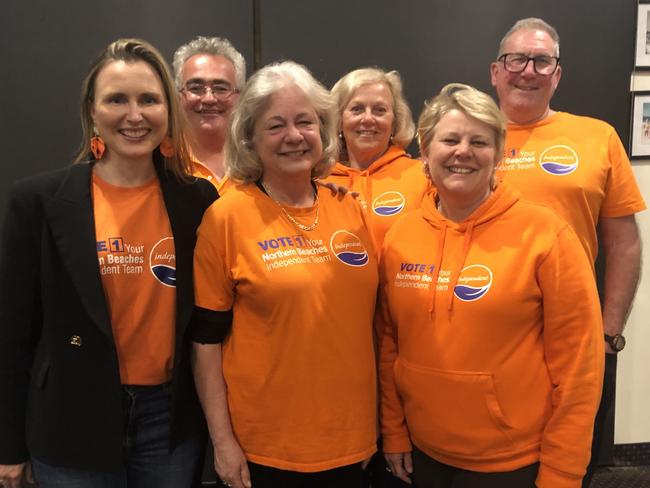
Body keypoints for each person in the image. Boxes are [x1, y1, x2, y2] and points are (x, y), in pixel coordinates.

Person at [0, 39, 217, 488]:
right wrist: (8, 448)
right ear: (93, 111)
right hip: (69, 419)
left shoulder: (199, 201)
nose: (134, 115)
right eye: (117, 99)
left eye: (149, 100)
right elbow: (12, 334)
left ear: (168, 111)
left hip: (169, 422)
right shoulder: (37, 202)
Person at [379, 83, 604, 488]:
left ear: (498, 154)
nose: (462, 151)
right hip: (423, 451)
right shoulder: (400, 237)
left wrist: (563, 472)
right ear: (425, 154)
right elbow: (390, 342)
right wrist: (394, 431)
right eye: (449, 139)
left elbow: (580, 368)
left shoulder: (546, 235)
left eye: (478, 141)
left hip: (512, 463)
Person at [190, 61, 378, 488]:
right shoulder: (226, 218)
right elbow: (205, 343)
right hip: (265, 450)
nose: (294, 136)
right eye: (275, 126)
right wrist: (223, 443)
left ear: (323, 129)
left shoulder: (349, 209)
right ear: (250, 139)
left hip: (353, 443)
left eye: (305, 122)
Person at [489, 18, 646, 486]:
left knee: (569, 464)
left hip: (573, 340)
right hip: (487, 337)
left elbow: (625, 241)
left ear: (557, 75)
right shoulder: (464, 139)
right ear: (495, 71)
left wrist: (609, 331)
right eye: (516, 59)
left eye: (543, 61)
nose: (528, 70)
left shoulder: (598, 138)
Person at [325, 68, 429, 248]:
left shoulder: (422, 176)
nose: (368, 118)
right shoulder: (319, 183)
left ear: (395, 121)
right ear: (338, 119)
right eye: (357, 109)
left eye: (379, 110)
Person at [173, 36, 246, 193]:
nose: (208, 98)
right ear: (178, 97)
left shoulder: (258, 159)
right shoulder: (163, 161)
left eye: (220, 88)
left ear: (239, 97)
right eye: (196, 88)